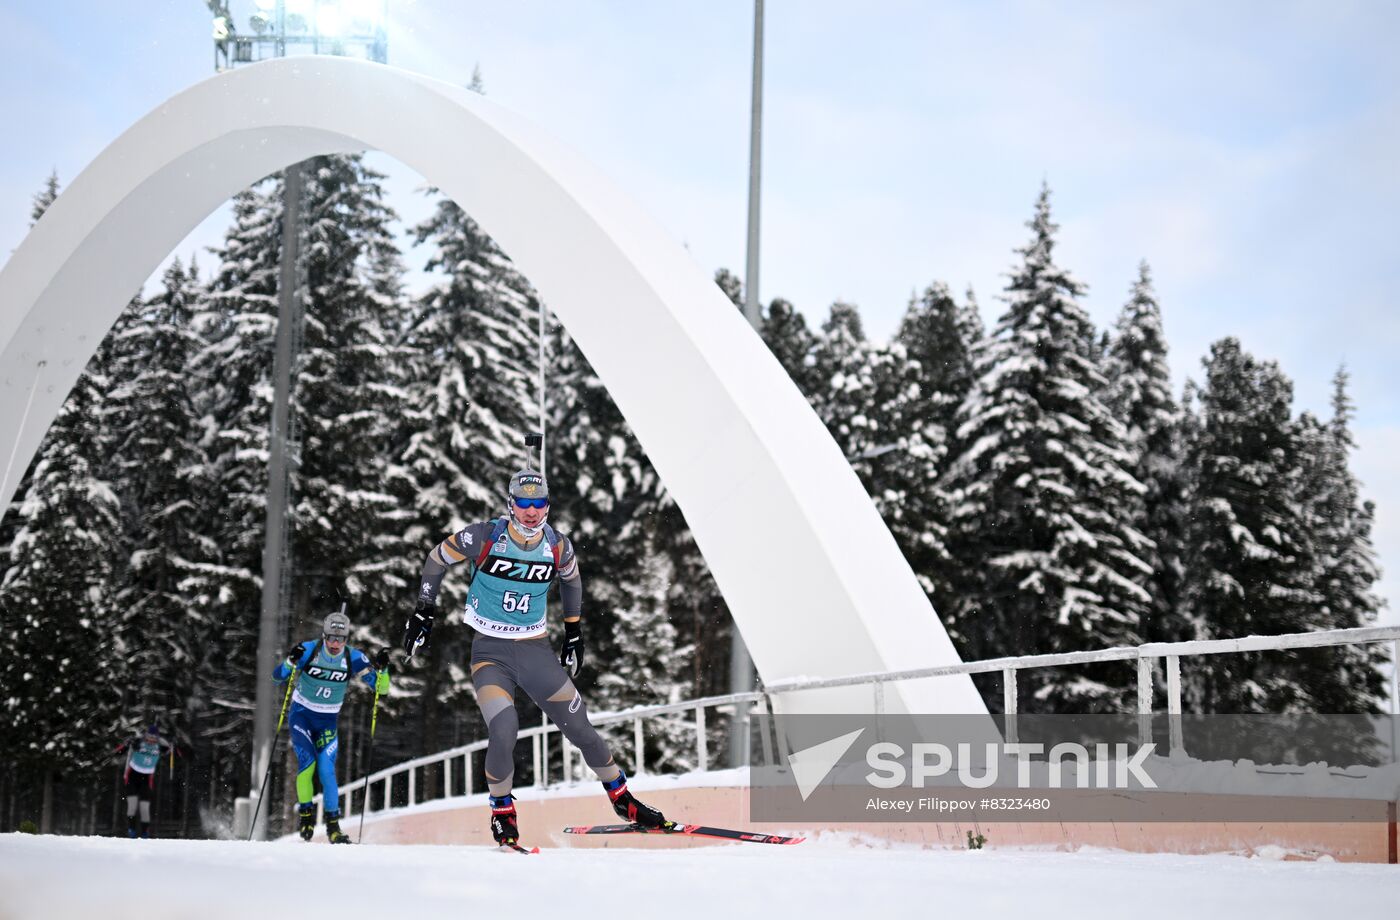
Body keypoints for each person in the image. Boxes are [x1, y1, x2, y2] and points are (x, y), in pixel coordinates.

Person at [402, 465, 669, 849]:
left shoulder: (557, 545)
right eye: (524, 504)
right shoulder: (484, 536)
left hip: (536, 652)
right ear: (511, 505)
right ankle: (502, 811)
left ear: (547, 507)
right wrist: (424, 609)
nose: (531, 512)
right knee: (504, 727)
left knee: (581, 730)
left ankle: (622, 799)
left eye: (539, 504)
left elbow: (572, 579)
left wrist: (574, 631)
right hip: (490, 654)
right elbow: (436, 558)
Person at [273, 610, 390, 844]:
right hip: (302, 716)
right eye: (331, 638)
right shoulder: (309, 650)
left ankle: (333, 828)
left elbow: (381, 689)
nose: (336, 644)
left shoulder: (353, 657)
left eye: (341, 639)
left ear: (347, 639)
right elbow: (278, 677)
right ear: (324, 636)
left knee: (327, 771)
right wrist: (290, 661)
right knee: (307, 766)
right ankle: (306, 816)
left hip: (327, 720)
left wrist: (383, 669)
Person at [115, 724, 173, 838]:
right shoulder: (139, 742)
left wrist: (172, 743)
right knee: (132, 805)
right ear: (146, 735)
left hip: (147, 778)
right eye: (149, 736)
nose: (151, 739)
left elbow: (171, 750)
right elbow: (119, 751)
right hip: (132, 775)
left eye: (154, 737)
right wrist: (127, 743)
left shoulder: (160, 746)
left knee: (144, 807)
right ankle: (131, 830)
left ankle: (145, 833)